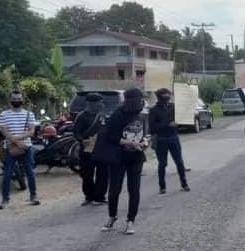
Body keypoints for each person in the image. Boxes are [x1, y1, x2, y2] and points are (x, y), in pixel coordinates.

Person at [101, 88, 149, 235]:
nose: (141, 102)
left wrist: (145, 142)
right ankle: (112, 216)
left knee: (134, 189)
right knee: (114, 189)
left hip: (136, 157)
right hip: (118, 157)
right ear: (130, 100)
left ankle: (130, 221)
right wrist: (130, 143)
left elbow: (146, 134)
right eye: (139, 99)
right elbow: (110, 137)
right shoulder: (117, 115)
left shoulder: (142, 114)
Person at [0, 90, 39, 209]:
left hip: (26, 148)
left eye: (19, 99)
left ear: (22, 99)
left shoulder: (29, 114)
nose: (16, 101)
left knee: (30, 172)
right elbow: (3, 131)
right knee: (7, 174)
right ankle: (5, 200)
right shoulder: (3, 115)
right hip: (10, 149)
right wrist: (16, 142)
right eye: (14, 99)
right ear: (10, 100)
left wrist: (17, 139)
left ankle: (33, 196)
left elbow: (31, 131)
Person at [149, 88, 189, 194]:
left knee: (179, 162)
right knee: (162, 163)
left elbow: (181, 119)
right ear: (159, 97)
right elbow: (152, 128)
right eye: (165, 95)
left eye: (168, 95)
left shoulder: (173, 107)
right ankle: (162, 187)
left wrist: (179, 123)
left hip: (173, 137)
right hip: (161, 139)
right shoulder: (153, 110)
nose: (167, 97)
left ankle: (184, 184)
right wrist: (167, 125)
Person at [73, 92, 108, 205]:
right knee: (87, 174)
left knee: (103, 173)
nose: (101, 104)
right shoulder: (82, 116)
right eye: (98, 102)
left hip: (101, 148)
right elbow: (76, 132)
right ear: (90, 103)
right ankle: (89, 196)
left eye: (101, 102)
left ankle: (100, 197)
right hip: (88, 148)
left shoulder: (103, 116)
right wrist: (82, 141)